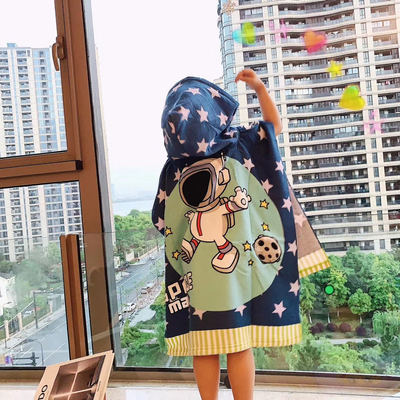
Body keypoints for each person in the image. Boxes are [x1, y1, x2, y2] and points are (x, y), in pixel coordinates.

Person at [152, 69, 330, 400]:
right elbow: (274, 126)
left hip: (197, 280)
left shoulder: (173, 168)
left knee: (204, 347)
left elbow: (162, 222)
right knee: (238, 344)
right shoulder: (239, 142)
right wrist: (259, 89)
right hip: (236, 275)